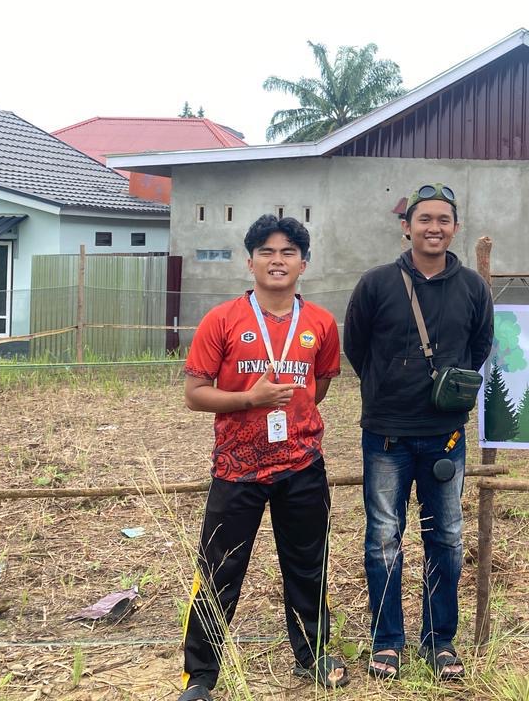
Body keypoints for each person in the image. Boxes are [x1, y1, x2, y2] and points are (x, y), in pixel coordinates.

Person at [178, 215, 347, 700]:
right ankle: (201, 676)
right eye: (268, 252)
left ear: (304, 264)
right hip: (237, 467)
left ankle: (313, 656)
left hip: (302, 465)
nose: (278, 261)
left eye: (289, 252)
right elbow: (195, 394)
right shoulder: (222, 320)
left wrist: (291, 416)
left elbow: (321, 385)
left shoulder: (320, 323)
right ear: (250, 261)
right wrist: (250, 400)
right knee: (219, 569)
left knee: (307, 564)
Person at [343, 182, 494, 682]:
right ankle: (387, 642)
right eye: (424, 219)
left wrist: (443, 394)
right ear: (406, 226)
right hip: (386, 435)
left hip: (445, 436)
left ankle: (439, 641)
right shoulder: (376, 283)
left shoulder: (473, 288)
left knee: (447, 539)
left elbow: (479, 347)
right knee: (384, 538)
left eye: (443, 220)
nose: (434, 228)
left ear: (455, 228)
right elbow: (357, 347)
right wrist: (389, 387)